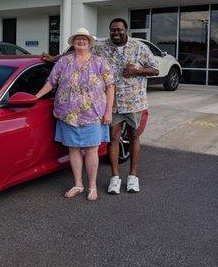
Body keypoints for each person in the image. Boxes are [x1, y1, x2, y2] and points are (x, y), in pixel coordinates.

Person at [42, 19, 158, 194]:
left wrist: (137, 71)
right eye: (113, 30)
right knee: (114, 138)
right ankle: (115, 177)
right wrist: (53, 58)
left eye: (119, 30)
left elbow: (155, 69)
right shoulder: (101, 45)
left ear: (126, 30)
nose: (116, 33)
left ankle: (133, 176)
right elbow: (78, 50)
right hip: (111, 103)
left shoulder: (139, 47)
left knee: (134, 135)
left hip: (133, 100)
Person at [35, 28, 115, 201]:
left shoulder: (99, 62)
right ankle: (78, 184)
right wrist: (36, 96)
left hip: (93, 114)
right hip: (68, 114)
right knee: (73, 150)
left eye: (84, 39)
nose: (81, 41)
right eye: (78, 39)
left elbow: (110, 86)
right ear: (73, 42)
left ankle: (92, 186)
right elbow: (51, 82)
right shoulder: (64, 61)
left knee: (92, 150)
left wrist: (108, 111)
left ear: (89, 42)